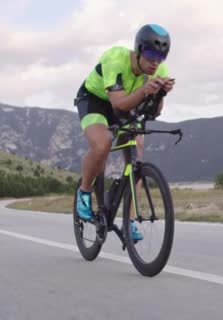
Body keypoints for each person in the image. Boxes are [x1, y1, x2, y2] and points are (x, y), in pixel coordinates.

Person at [74, 24, 175, 241]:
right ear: (138, 49)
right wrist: (144, 90)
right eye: (150, 54)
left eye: (161, 56)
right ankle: (83, 193)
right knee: (102, 144)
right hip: (95, 101)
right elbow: (118, 105)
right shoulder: (115, 58)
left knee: (136, 153)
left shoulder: (160, 70)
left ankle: (129, 221)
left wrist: (160, 95)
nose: (155, 62)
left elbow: (154, 113)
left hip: (128, 104)